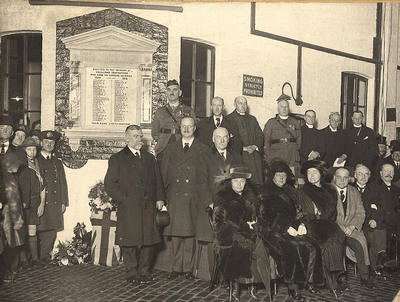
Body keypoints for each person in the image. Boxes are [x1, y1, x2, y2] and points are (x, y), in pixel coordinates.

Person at [104, 125, 165, 284]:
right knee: (129, 241)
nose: (139, 139)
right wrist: (123, 200)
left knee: (148, 240)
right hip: (129, 207)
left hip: (148, 206)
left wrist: (159, 199)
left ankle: (144, 271)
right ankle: (131, 272)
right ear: (127, 138)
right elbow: (110, 185)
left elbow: (158, 180)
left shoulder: (150, 158)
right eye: (135, 136)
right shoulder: (117, 159)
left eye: (140, 136)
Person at [259, 160, 323, 301]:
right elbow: (264, 217)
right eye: (278, 175)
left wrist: (301, 224)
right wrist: (285, 228)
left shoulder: (291, 191)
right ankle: (293, 288)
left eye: (284, 175)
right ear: (272, 176)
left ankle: (310, 282)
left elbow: (299, 211)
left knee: (312, 246)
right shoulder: (265, 192)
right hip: (272, 231)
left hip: (292, 228)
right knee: (291, 248)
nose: (281, 178)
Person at [213, 166, 271, 301]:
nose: (239, 184)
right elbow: (220, 223)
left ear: (246, 183)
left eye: (242, 181)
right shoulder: (223, 199)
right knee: (240, 247)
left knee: (262, 246)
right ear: (230, 182)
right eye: (236, 181)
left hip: (251, 233)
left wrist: (255, 224)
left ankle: (252, 284)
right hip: (229, 234)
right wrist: (244, 227)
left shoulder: (252, 198)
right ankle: (235, 288)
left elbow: (260, 217)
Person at [161, 116, 208, 280]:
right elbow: (164, 174)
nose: (186, 129)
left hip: (193, 197)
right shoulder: (170, 148)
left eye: (190, 126)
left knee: (190, 233)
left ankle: (188, 269)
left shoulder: (203, 149)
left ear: (195, 128)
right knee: (175, 234)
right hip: (175, 195)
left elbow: (205, 177)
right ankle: (175, 268)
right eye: (183, 126)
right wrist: (162, 197)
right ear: (179, 128)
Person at [196, 127, 243, 277]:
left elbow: (241, 180)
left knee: (232, 237)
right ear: (213, 139)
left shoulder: (236, 156)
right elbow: (201, 182)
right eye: (218, 137)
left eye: (225, 137)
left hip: (231, 204)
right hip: (213, 205)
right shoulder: (204, 156)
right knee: (213, 239)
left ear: (229, 139)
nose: (222, 140)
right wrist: (209, 203)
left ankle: (228, 274)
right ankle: (214, 274)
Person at [297, 160, 346, 296]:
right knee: (327, 240)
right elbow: (309, 214)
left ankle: (335, 276)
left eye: (314, 172)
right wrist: (320, 215)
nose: (311, 175)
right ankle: (328, 281)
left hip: (328, 222)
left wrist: (323, 214)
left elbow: (333, 211)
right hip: (312, 224)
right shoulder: (304, 191)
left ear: (321, 173)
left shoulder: (330, 189)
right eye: (308, 173)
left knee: (337, 236)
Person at [333, 167, 374, 288]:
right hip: (336, 229)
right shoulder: (329, 192)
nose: (342, 180)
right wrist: (341, 228)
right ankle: (341, 277)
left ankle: (364, 277)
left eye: (345, 177)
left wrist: (352, 226)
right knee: (337, 246)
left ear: (349, 179)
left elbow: (361, 213)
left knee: (360, 244)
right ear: (334, 178)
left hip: (352, 229)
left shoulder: (354, 192)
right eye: (339, 177)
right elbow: (329, 215)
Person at [37, 131, 69, 263]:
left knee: (51, 230)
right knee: (39, 229)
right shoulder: (35, 160)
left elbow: (62, 183)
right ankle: (35, 258)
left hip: (55, 202)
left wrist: (63, 202)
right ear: (41, 143)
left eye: (52, 142)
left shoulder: (57, 162)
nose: (49, 144)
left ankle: (45, 257)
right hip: (40, 202)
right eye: (46, 142)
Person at [353, 164, 388, 275]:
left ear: (369, 176)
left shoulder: (374, 190)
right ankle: (371, 266)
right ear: (354, 175)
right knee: (370, 236)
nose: (363, 177)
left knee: (379, 227)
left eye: (366, 174)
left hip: (369, 221)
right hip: (355, 222)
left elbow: (380, 208)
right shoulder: (350, 189)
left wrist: (374, 219)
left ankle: (376, 262)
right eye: (360, 174)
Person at [18, 137, 46, 269]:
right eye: (29, 149)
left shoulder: (37, 164)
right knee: (22, 231)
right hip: (23, 202)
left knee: (32, 230)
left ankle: (35, 259)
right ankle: (23, 260)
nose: (32, 152)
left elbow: (42, 186)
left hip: (35, 202)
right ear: (24, 150)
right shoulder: (21, 165)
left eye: (34, 149)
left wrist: (41, 204)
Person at [151, 79, 196, 160]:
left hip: (181, 145)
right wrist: (162, 139)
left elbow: (194, 129)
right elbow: (154, 132)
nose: (172, 92)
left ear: (180, 92)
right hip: (163, 147)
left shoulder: (188, 110)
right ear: (166, 93)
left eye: (175, 90)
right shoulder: (160, 111)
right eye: (169, 90)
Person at [0, 152, 25, 283]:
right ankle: (6, 273)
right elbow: (13, 200)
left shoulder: (6, 176)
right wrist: (18, 219)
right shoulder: (9, 179)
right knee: (10, 245)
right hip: (9, 218)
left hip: (7, 217)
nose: (18, 166)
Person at [227, 96, 264, 186]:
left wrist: (254, 146)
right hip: (239, 155)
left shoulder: (252, 119)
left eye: (245, 103)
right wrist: (244, 148)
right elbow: (228, 139)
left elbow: (260, 135)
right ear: (235, 105)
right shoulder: (228, 119)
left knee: (256, 184)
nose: (243, 105)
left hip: (253, 155)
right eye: (240, 103)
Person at [263, 96, 301, 176]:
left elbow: (299, 139)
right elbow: (265, 141)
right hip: (277, 156)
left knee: (292, 180)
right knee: (279, 179)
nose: (284, 109)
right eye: (282, 107)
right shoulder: (271, 122)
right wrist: (269, 156)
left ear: (289, 108)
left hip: (292, 156)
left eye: (286, 107)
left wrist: (294, 150)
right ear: (278, 108)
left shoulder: (295, 122)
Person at [372, 164, 400, 262]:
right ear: (381, 173)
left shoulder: (397, 189)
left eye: (391, 171)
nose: (389, 174)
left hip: (395, 221)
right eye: (386, 171)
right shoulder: (374, 187)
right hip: (382, 221)